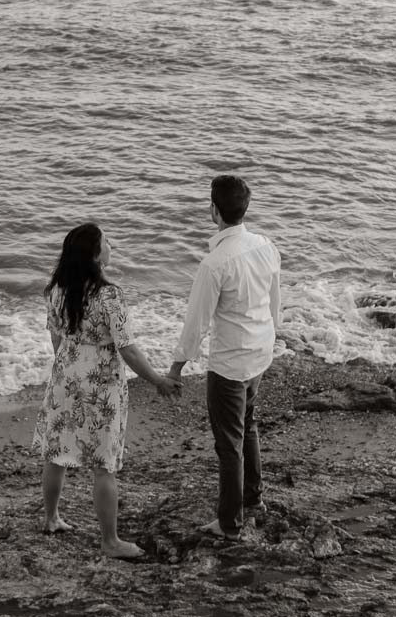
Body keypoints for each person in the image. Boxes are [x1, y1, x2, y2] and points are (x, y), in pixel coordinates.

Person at [33, 222, 179, 559]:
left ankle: (51, 518)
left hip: (65, 376)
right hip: (101, 383)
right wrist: (157, 380)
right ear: (95, 255)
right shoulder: (109, 295)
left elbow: (56, 338)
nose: (112, 245)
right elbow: (126, 349)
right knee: (104, 463)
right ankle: (110, 541)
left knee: (56, 453)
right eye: (107, 241)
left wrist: (70, 366)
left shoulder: (56, 290)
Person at [168, 175, 281, 538]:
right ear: (245, 209)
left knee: (229, 443)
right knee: (247, 426)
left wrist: (175, 369)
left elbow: (196, 324)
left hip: (231, 364)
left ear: (213, 210)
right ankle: (253, 500)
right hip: (259, 352)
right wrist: (272, 338)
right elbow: (275, 304)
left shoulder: (214, 263)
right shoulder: (266, 245)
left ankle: (230, 523)